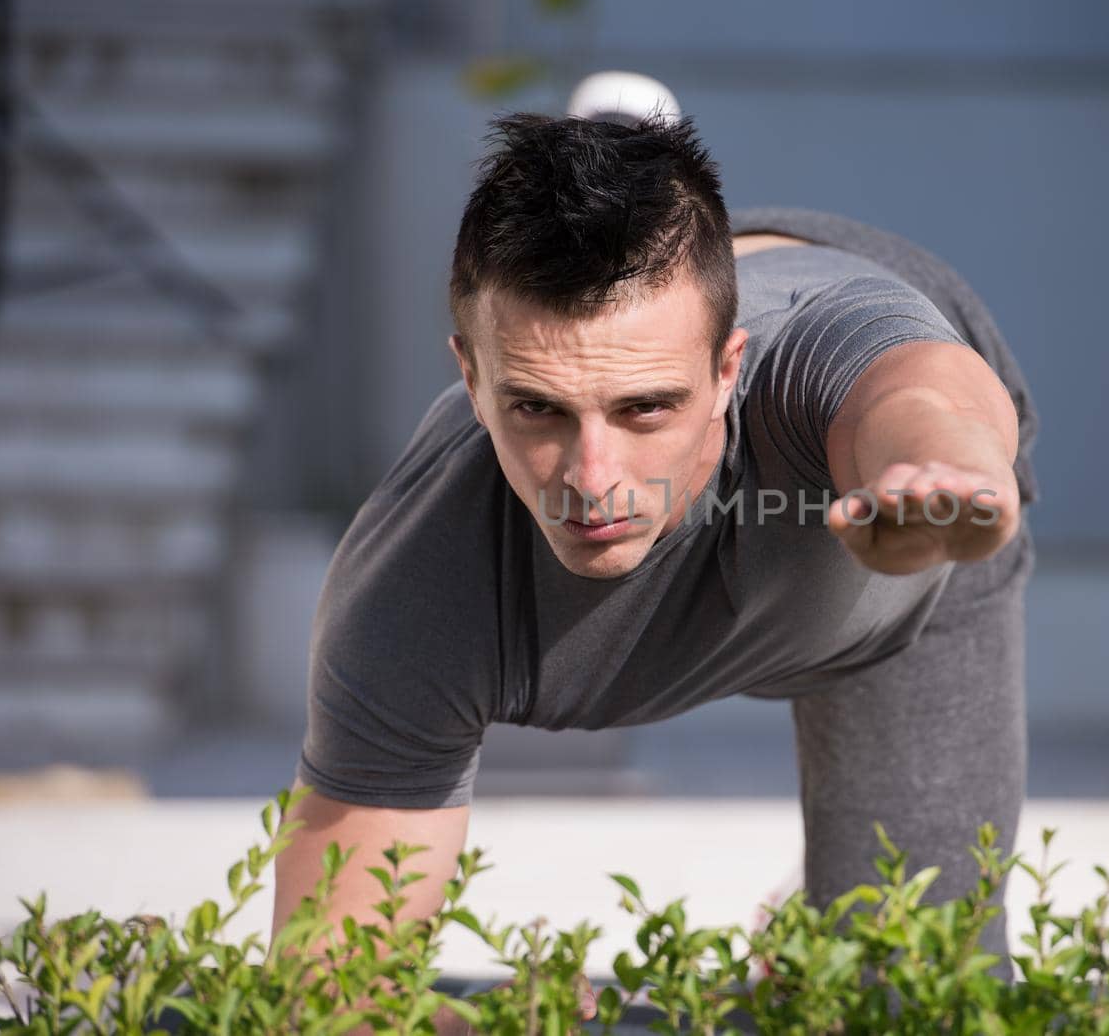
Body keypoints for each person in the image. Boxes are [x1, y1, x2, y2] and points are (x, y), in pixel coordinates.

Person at [270, 72, 1039, 1029]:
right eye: (538, 410)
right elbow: (330, 993)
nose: (592, 480)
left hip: (879, 581)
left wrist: (945, 469)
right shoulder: (415, 593)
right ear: (468, 378)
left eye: (645, 411)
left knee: (914, 998)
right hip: (712, 411)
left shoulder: (812, 368)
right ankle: (618, 148)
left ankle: (626, 152)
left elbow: (917, 389)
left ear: (727, 371)